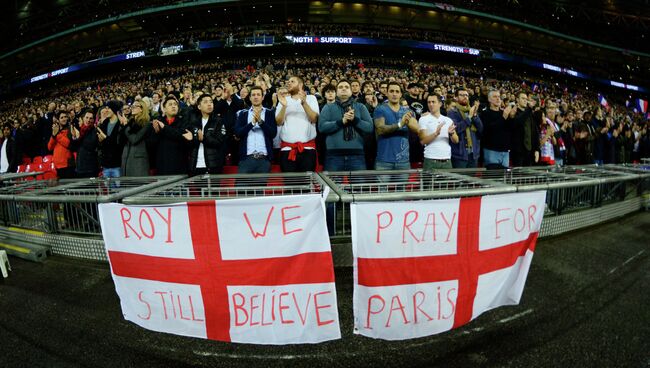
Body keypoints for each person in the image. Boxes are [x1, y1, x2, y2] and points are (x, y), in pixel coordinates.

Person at [318, 80, 373, 171]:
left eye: (347, 87)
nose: (343, 89)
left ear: (351, 91)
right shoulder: (328, 107)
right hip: (333, 156)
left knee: (358, 185)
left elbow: (369, 127)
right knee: (332, 185)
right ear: (336, 92)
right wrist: (341, 122)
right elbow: (322, 127)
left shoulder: (360, 107)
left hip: (357, 155)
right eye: (340, 87)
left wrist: (354, 120)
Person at [275, 76, 320, 172]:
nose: (288, 83)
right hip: (287, 149)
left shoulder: (311, 98)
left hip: (307, 149)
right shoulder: (283, 101)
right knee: (290, 185)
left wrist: (304, 103)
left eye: (292, 81)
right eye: (288, 81)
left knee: (307, 185)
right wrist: (284, 106)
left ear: (300, 85)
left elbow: (314, 119)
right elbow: (278, 122)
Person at [373, 82, 419, 171]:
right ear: (386, 93)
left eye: (397, 91)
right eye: (391, 91)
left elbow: (417, 130)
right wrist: (400, 124)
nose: (394, 94)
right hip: (384, 161)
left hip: (403, 161)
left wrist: (410, 122)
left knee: (402, 186)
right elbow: (380, 130)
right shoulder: (380, 109)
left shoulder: (408, 111)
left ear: (401, 94)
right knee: (383, 186)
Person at [234, 86, 277, 173]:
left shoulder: (269, 113)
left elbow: (273, 133)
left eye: (258, 94)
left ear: (263, 97)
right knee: (242, 186)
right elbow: (238, 133)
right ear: (249, 98)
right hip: (246, 158)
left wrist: (261, 122)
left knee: (261, 187)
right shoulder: (242, 114)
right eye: (253, 95)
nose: (256, 97)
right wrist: (252, 123)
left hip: (264, 158)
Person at [150, 95, 192, 175]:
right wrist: (157, 133)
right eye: (170, 104)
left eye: (175, 104)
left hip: (180, 167)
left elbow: (186, 140)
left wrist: (164, 128)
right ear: (164, 109)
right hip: (162, 166)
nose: (173, 106)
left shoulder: (184, 122)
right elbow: (151, 144)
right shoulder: (158, 122)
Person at [188, 94, 228, 175]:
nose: (209, 104)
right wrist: (191, 139)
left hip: (213, 166)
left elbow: (220, 142)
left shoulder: (219, 121)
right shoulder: (193, 123)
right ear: (199, 106)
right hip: (195, 166)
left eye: (211, 102)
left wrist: (204, 139)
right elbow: (190, 145)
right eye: (205, 102)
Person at [418, 94, 458, 170]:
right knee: (429, 182)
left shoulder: (448, 120)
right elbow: (422, 141)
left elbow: (456, 140)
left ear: (440, 104)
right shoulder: (423, 119)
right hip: (430, 160)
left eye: (433, 102)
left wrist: (451, 133)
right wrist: (435, 134)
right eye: (429, 102)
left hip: (447, 160)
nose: (431, 104)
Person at [479, 90, 516, 169]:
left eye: (499, 97)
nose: (498, 99)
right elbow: (489, 130)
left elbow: (511, 129)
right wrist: (504, 117)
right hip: (491, 151)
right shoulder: (485, 113)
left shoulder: (504, 112)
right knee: (493, 177)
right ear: (489, 99)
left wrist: (512, 117)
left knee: (504, 179)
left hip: (505, 151)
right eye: (495, 97)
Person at [448, 88, 483, 168]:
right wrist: (469, 117)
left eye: (466, 95)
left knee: (471, 180)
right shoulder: (452, 112)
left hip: (474, 154)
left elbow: (480, 129)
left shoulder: (472, 111)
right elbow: (456, 129)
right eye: (461, 95)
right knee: (459, 180)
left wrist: (474, 116)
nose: (465, 97)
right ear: (456, 98)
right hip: (460, 154)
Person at [120, 101, 152, 176]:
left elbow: (135, 139)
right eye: (132, 106)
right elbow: (120, 141)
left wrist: (126, 126)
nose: (132, 108)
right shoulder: (130, 122)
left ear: (142, 109)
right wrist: (123, 126)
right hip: (126, 162)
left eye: (135, 106)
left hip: (138, 164)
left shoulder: (146, 124)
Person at [97, 100, 126, 178]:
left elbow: (118, 144)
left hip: (117, 165)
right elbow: (100, 144)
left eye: (108, 108)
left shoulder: (121, 124)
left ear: (114, 109)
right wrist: (100, 141)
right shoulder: (104, 123)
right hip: (106, 164)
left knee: (118, 189)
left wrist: (105, 138)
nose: (106, 110)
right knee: (107, 190)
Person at [511, 92, 540, 166]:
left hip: (529, 152)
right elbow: (518, 122)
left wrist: (536, 149)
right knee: (517, 176)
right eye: (523, 98)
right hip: (518, 152)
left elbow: (535, 133)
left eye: (526, 99)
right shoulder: (513, 111)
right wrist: (529, 108)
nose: (525, 100)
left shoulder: (530, 114)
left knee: (527, 176)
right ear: (517, 99)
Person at [70, 109, 100, 178]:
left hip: (91, 168)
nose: (88, 120)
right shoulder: (80, 130)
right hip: (80, 167)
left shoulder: (95, 131)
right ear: (83, 118)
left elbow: (90, 146)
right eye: (86, 117)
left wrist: (78, 137)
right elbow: (73, 147)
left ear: (93, 120)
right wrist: (74, 137)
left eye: (91, 118)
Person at [47, 111, 75, 178]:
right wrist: (53, 136)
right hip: (58, 166)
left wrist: (57, 135)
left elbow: (69, 144)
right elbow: (49, 147)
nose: (64, 119)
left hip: (68, 165)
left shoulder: (70, 129)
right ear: (58, 120)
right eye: (62, 117)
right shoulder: (55, 131)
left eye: (65, 117)